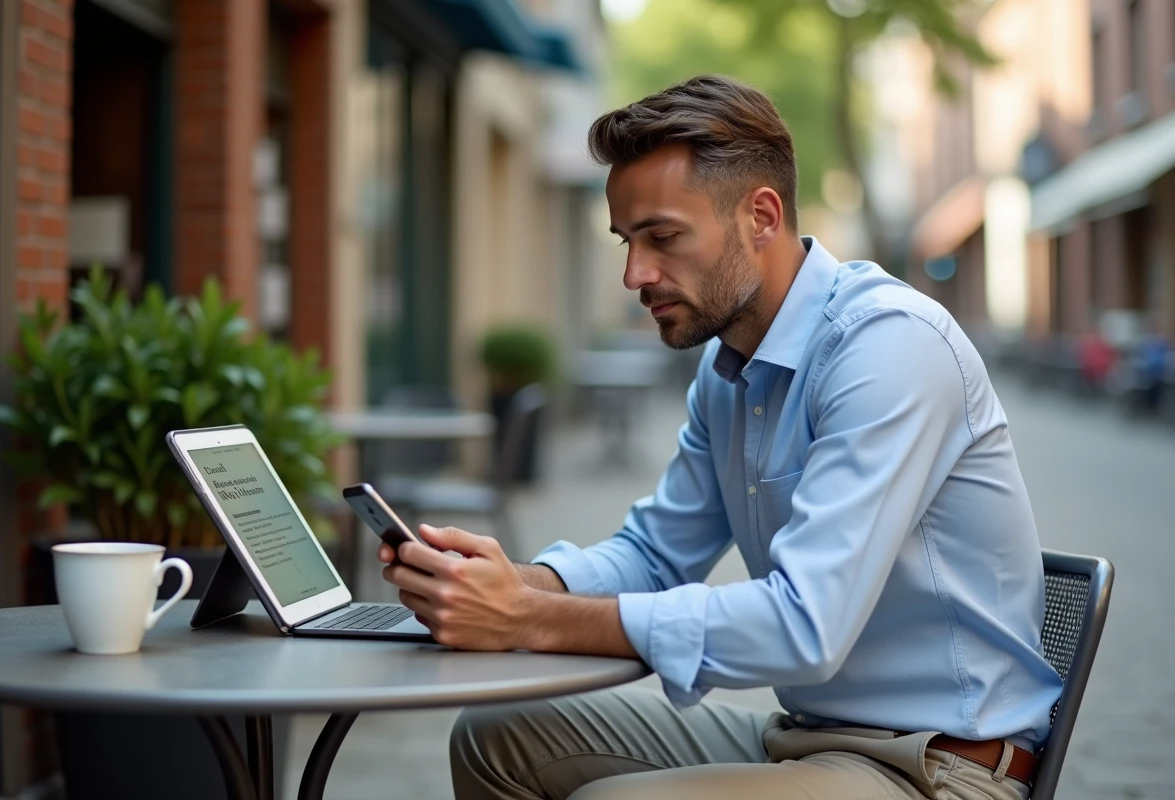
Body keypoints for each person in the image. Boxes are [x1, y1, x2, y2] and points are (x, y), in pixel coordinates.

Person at [377, 75, 1063, 800]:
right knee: (497, 735)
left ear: (760, 216)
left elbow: (805, 625)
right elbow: (655, 552)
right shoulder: (727, 366)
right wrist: (510, 582)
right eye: (627, 241)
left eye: (662, 237)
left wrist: (531, 619)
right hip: (808, 739)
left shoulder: (888, 348)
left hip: (942, 767)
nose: (635, 274)